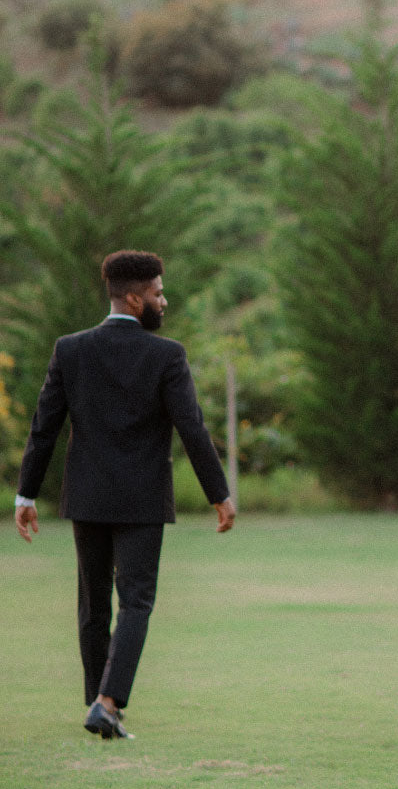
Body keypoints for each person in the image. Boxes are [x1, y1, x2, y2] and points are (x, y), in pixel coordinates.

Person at [14, 250, 236, 739]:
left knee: (93, 605)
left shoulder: (69, 350)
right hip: (141, 500)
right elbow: (192, 429)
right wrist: (218, 494)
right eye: (158, 293)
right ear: (134, 299)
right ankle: (108, 703)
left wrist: (24, 497)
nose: (164, 300)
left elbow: (43, 428)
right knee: (135, 602)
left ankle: (101, 705)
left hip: (88, 497)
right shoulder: (166, 355)